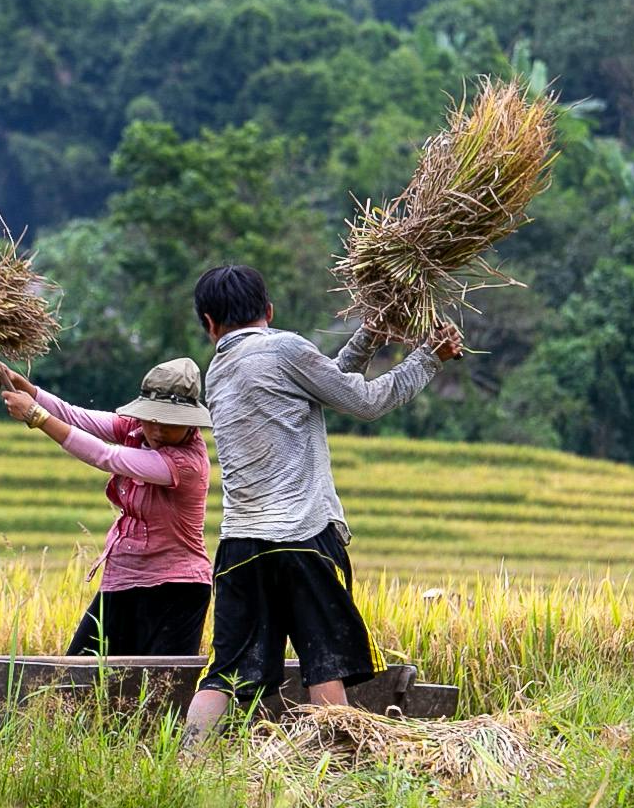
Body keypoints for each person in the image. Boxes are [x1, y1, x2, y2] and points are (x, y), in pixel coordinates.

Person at [184, 264, 462, 748]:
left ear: (209, 324)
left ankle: (185, 761)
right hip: (302, 538)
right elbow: (367, 401)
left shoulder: (220, 370)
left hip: (240, 546)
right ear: (268, 310)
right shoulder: (284, 348)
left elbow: (323, 380)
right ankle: (334, 770)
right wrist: (428, 358)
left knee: (224, 671)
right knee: (323, 658)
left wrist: (370, 335)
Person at [0, 355, 214, 657]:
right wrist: (25, 387)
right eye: (152, 420)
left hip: (175, 588)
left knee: (161, 690)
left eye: (170, 424)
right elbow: (76, 417)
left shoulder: (186, 463)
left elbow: (105, 456)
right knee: (80, 676)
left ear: (188, 423)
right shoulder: (135, 429)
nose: (158, 431)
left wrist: (37, 416)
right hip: (124, 576)